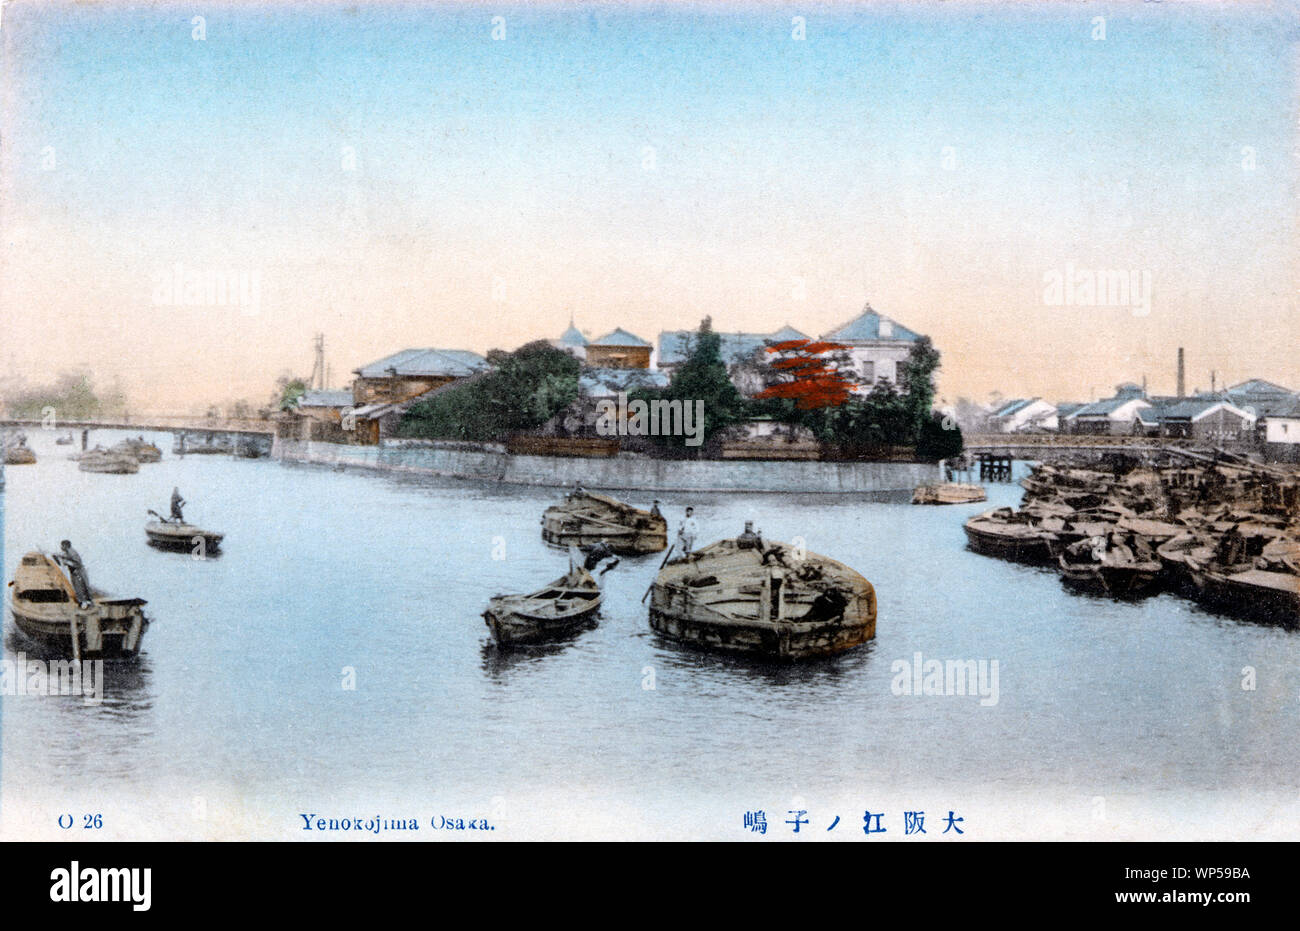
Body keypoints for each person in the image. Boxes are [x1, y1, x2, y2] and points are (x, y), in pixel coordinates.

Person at [58, 540, 93, 608]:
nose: (61, 547)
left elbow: (78, 563)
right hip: (75, 572)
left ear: (65, 545)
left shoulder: (72, 552)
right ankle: (85, 602)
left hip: (77, 572)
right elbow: (64, 555)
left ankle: (85, 603)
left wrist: (67, 562)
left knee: (80, 587)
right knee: (79, 587)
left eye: (62, 545)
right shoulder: (69, 552)